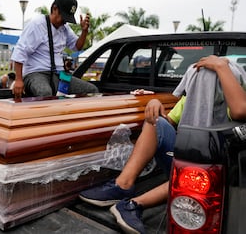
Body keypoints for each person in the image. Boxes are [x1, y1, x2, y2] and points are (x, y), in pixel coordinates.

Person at [79, 55, 246, 234]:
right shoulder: (190, 100)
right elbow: (165, 126)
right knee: (155, 122)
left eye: (211, 83)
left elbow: (240, 111)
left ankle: (132, 205)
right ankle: (123, 184)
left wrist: (221, 67)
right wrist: (154, 104)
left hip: (208, 173)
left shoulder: (232, 103)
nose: (202, 88)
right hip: (181, 161)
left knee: (195, 175)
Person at [11, 0, 99, 98]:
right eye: (63, 17)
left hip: (58, 74)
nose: (65, 22)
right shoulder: (37, 24)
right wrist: (19, 80)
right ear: (54, 9)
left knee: (91, 91)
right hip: (36, 73)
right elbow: (20, 51)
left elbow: (77, 47)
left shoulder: (64, 28)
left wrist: (84, 31)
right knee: (45, 93)